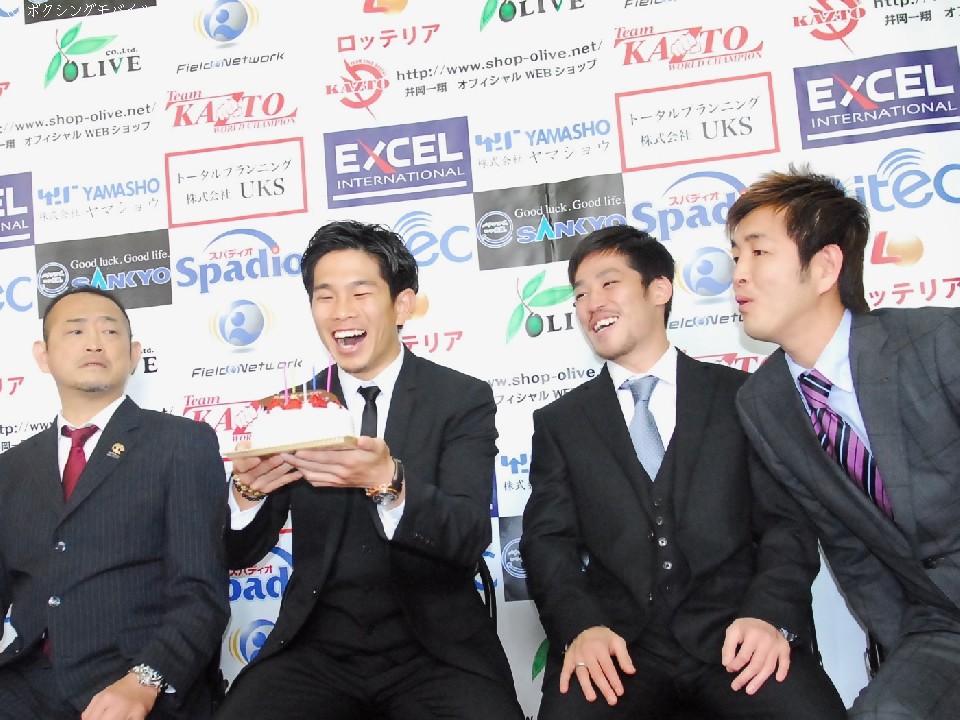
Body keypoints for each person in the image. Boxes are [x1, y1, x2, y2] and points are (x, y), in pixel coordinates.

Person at [520, 226, 846, 719]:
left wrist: (768, 616)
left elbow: (787, 525)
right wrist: (580, 626)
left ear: (659, 289)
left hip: (737, 638)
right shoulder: (560, 422)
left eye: (609, 283)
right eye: (580, 294)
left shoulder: (744, 397)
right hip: (619, 650)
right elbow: (547, 543)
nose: (591, 304)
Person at [215, 220, 524, 720]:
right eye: (325, 296)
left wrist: (392, 484)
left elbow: (468, 536)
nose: (342, 312)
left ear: (402, 305)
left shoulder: (461, 398)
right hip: (316, 646)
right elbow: (237, 553)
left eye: (360, 293)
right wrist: (246, 494)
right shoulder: (291, 409)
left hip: (433, 646)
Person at [729, 166, 960, 719]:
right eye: (735, 256)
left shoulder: (938, 340)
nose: (738, 274)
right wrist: (903, 655)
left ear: (826, 266)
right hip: (938, 626)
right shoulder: (764, 401)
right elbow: (850, 551)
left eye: (758, 252)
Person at [0, 287, 230, 720]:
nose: (94, 343)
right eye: (75, 331)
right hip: (24, 683)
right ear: (42, 356)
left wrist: (146, 679)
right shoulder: (10, 468)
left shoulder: (181, 443)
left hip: (133, 678)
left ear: (134, 353)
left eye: (109, 331)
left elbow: (201, 592)